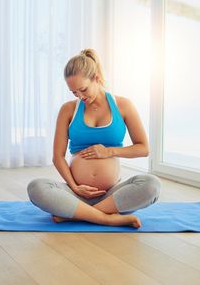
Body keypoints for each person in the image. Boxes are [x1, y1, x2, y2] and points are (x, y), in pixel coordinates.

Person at [27, 49, 161, 228]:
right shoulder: (68, 110)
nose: (80, 97)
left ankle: (76, 214)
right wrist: (74, 187)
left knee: (151, 185)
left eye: (83, 89)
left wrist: (108, 151)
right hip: (75, 193)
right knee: (36, 187)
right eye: (74, 92)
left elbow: (143, 148)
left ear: (96, 78)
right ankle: (105, 218)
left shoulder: (123, 106)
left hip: (111, 194)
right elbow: (57, 157)